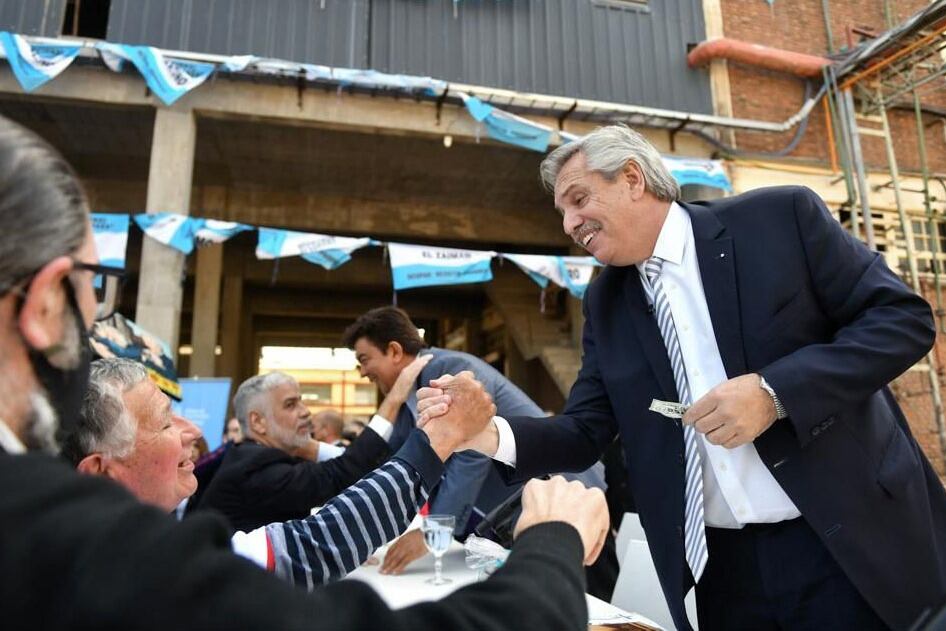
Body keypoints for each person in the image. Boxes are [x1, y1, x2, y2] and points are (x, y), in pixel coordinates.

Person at [0, 113, 609, 631]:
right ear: (47, 303)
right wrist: (550, 542)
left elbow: (311, 543)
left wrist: (434, 447)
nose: (191, 433)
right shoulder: (76, 546)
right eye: (94, 283)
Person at [418, 124, 946, 630]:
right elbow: (583, 431)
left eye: (578, 200)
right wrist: (482, 431)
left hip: (840, 542)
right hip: (721, 574)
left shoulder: (779, 218)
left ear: (632, 178)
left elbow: (902, 319)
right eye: (562, 212)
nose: (569, 224)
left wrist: (774, 392)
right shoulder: (605, 301)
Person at [65, 357, 457, 586]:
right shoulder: (143, 570)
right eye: (165, 422)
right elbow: (316, 539)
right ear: (101, 472)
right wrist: (434, 437)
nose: (194, 431)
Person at [342, 306, 612, 588]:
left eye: (364, 359)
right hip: (522, 508)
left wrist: (433, 530)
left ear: (394, 351)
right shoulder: (410, 396)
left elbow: (470, 454)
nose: (362, 372)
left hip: (565, 492)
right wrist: (365, 528)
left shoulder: (446, 371)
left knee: (591, 597)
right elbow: (399, 461)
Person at [191, 362, 428, 531]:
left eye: (301, 402)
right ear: (258, 422)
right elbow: (341, 473)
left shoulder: (247, 456)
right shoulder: (256, 469)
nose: (305, 412)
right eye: (290, 405)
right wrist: (394, 398)